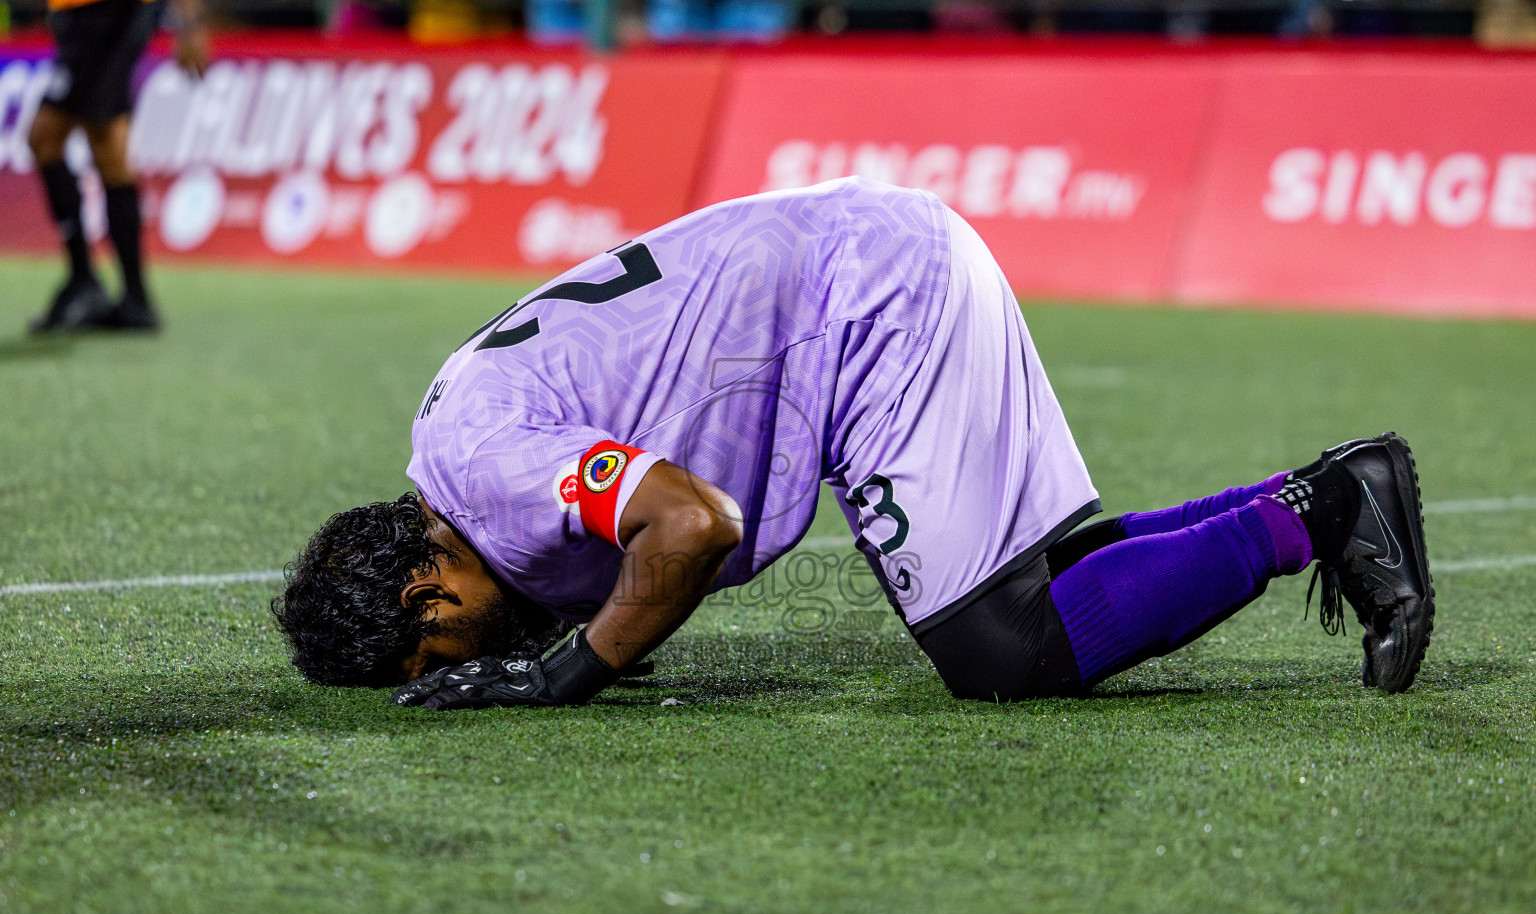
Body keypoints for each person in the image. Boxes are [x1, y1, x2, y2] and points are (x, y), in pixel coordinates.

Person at [272, 178, 1434, 709]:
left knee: (1001, 651)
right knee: (1016, 595)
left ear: (427, 583)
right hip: (864, 266)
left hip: (867, 299)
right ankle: (1322, 497)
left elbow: (690, 520)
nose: (471, 666)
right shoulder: (458, 449)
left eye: (440, 656)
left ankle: (1326, 511)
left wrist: (566, 668)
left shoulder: (489, 476)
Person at [26, 0, 208, 333]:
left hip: (108, 16)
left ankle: (89, 282)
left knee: (53, 137)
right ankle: (132, 298)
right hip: (81, 17)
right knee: (93, 146)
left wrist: (189, 25)